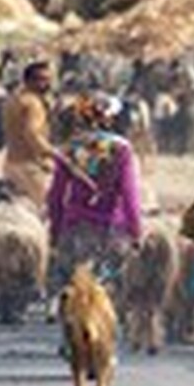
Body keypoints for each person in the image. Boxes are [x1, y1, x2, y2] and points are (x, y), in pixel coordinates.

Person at [46, 92, 143, 296]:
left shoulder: (69, 149)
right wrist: (135, 231)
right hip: (112, 230)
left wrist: (55, 231)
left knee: (75, 290)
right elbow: (129, 193)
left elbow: (56, 195)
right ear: (109, 118)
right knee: (109, 291)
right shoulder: (121, 149)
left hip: (75, 230)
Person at [2, 60, 55, 208]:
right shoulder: (33, 103)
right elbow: (32, 134)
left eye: (49, 80)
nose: (47, 85)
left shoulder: (14, 99)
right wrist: (53, 154)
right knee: (42, 210)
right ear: (30, 81)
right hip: (30, 168)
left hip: (11, 163)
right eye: (42, 80)